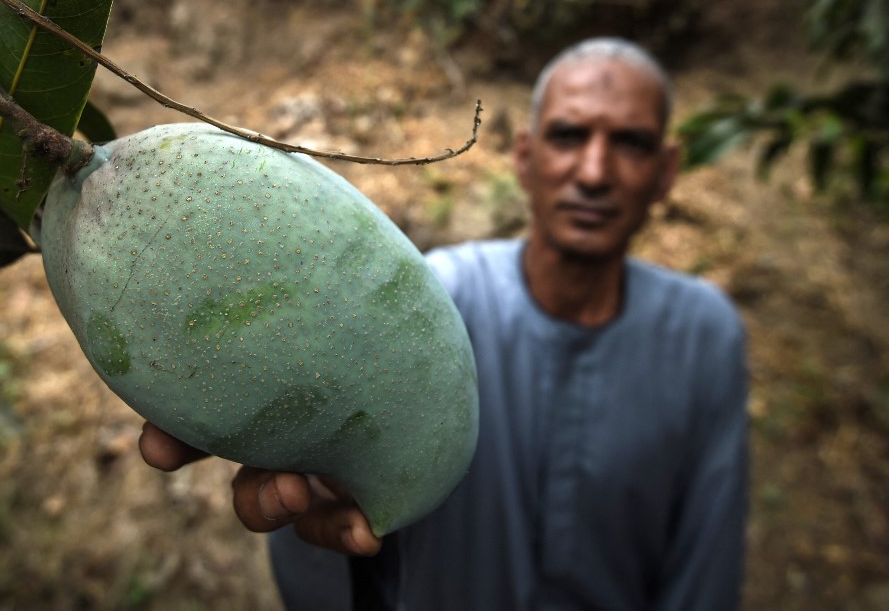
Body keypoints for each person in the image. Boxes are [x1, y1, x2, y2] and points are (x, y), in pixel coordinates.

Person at [138, 37, 749, 610]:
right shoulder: (434, 303)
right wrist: (326, 472)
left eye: (631, 143)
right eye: (568, 136)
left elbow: (705, 565)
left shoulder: (702, 337)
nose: (594, 171)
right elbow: (341, 547)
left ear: (667, 171)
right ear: (525, 158)